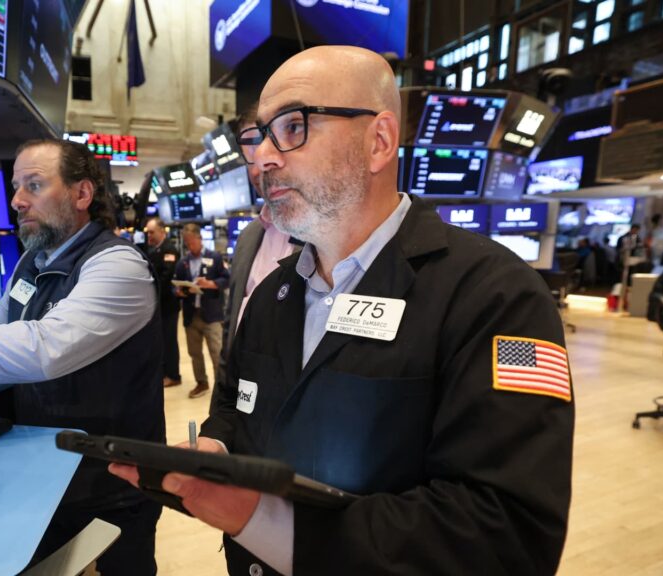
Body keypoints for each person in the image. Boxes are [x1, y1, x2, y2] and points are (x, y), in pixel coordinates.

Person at [111, 46, 573, 575]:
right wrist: (215, 447)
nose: (263, 159)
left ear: (379, 142)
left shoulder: (497, 296)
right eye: (260, 136)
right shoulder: (273, 294)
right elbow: (237, 406)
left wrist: (264, 521)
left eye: (293, 127)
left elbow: (508, 534)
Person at [0, 139, 164, 576]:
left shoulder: (117, 265)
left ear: (81, 194)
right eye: (15, 187)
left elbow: (46, 348)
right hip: (45, 474)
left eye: (34, 185)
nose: (16, 201)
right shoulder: (30, 262)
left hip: (111, 485)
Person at [215, 104, 301, 400]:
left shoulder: (325, 236)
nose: (259, 166)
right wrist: (221, 408)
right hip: (240, 396)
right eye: (251, 149)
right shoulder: (249, 236)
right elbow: (231, 326)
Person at [174, 222, 230, 399]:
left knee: (216, 351)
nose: (190, 246)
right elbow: (176, 285)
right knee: (194, 353)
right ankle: (201, 383)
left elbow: (227, 279)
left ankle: (221, 388)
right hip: (191, 315)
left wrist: (211, 284)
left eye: (192, 242)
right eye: (187, 243)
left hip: (212, 314)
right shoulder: (183, 262)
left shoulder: (215, 257)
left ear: (200, 238)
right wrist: (179, 291)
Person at [144, 216, 183, 388]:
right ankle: (164, 372)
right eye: (148, 233)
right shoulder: (154, 250)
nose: (149, 236)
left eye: (152, 232)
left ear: (162, 231)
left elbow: (165, 278)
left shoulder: (169, 250)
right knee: (160, 341)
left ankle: (173, 375)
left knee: (169, 341)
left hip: (168, 305)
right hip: (158, 305)